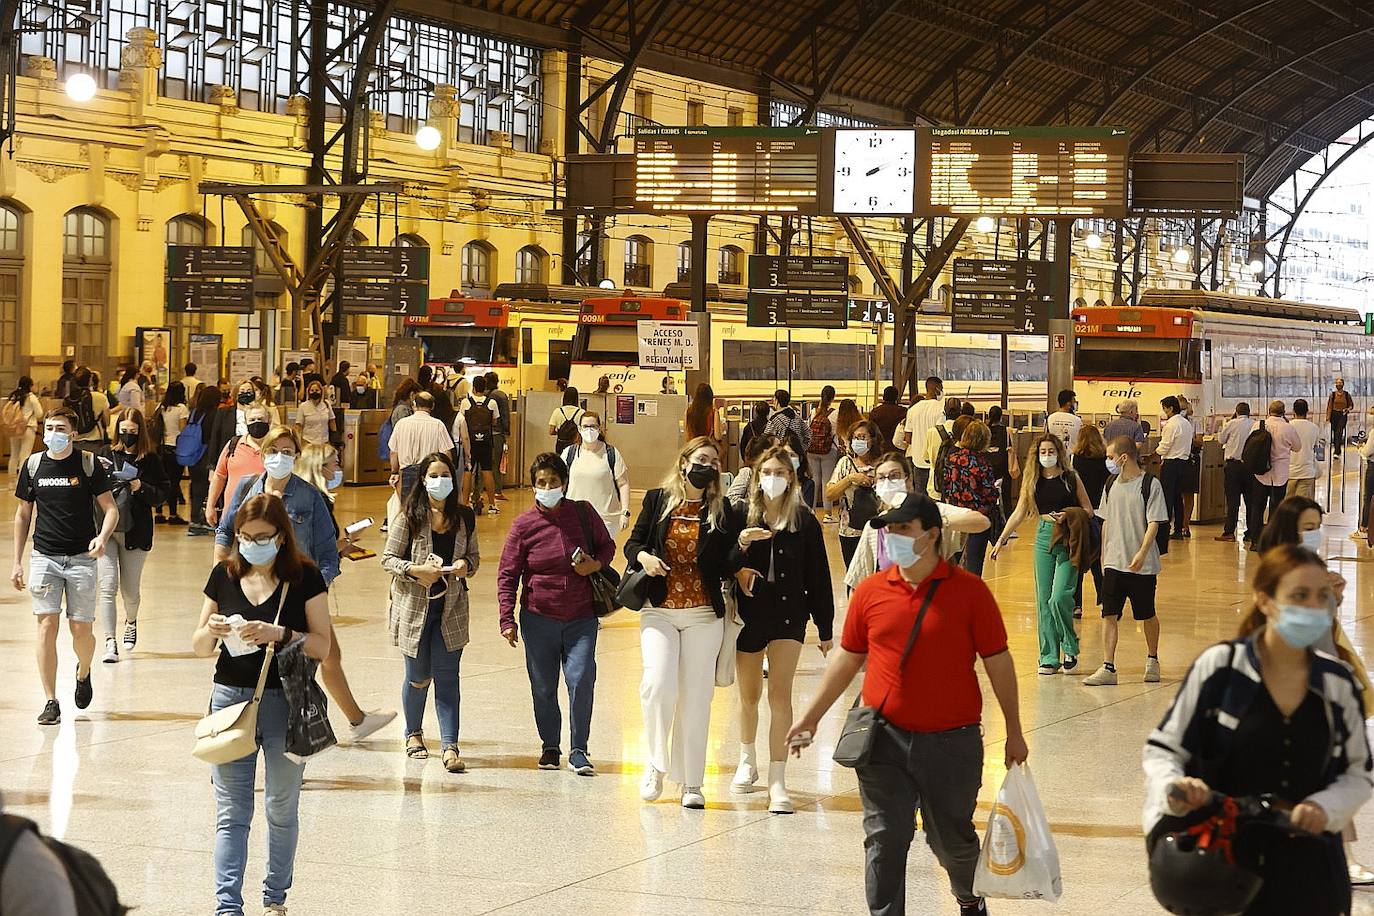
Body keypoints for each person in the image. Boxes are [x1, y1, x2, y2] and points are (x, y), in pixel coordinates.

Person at [787, 491, 1028, 916]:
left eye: (903, 529)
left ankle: (969, 899)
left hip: (951, 743)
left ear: (932, 534)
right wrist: (810, 717)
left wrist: (1014, 731)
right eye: (890, 530)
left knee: (951, 840)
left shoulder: (969, 593)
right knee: (885, 837)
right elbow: (848, 657)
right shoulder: (871, 591)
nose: (893, 537)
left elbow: (999, 663)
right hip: (883, 738)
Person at [1143, 544, 1372, 916]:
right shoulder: (1223, 669)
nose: (1314, 607)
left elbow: (1359, 773)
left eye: (1321, 597)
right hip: (1230, 868)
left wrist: (1324, 807)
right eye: (1299, 596)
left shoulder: (1337, 682)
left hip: (1312, 873)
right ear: (1264, 600)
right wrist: (1175, 787)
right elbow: (1164, 749)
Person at [192, 493, 332, 916]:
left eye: (262, 537)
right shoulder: (224, 574)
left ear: (281, 537)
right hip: (229, 701)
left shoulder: (305, 578)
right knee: (231, 811)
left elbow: (322, 645)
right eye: (244, 537)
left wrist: (280, 635)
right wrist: (213, 630)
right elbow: (198, 646)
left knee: (280, 805)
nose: (252, 544)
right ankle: (227, 906)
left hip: (284, 702)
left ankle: (275, 898)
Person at [216, 426, 391, 744]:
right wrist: (221, 575)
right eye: (273, 451)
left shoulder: (310, 497)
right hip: (252, 595)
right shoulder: (245, 489)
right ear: (263, 453)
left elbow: (327, 553)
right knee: (255, 672)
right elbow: (225, 531)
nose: (279, 458)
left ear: (296, 457)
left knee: (302, 670)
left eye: (287, 452)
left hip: (295, 600)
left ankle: (305, 741)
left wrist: (314, 593)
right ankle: (254, 742)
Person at [625, 437, 736, 809]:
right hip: (660, 609)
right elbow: (633, 542)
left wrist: (746, 549)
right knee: (657, 685)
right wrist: (643, 556)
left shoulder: (722, 510)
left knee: (697, 698)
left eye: (715, 461)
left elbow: (727, 562)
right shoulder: (658, 500)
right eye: (702, 458)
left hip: (704, 614)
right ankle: (656, 763)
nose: (709, 465)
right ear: (685, 462)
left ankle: (692, 782)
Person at [728, 445, 833, 813]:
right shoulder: (741, 514)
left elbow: (819, 575)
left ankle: (778, 777)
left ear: (791, 477)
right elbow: (720, 559)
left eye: (780, 472)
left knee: (780, 697)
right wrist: (740, 557)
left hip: (790, 615)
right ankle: (746, 759)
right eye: (767, 471)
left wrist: (825, 626)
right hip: (750, 613)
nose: (773, 478)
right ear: (757, 477)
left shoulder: (804, 520)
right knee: (750, 695)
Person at [498, 452, 614, 775]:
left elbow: (607, 547)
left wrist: (595, 564)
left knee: (581, 680)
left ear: (563, 482)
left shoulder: (583, 514)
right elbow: (508, 573)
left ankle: (579, 750)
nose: (547, 487)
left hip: (581, 618)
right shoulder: (524, 526)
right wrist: (506, 618)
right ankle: (551, 745)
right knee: (544, 687)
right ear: (533, 486)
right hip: (539, 618)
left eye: (553, 481)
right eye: (540, 482)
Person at [12, 408, 119, 724]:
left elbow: (110, 508)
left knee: (80, 629)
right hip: (44, 556)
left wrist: (101, 538)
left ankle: (83, 671)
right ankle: (50, 700)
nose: (53, 433)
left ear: (73, 433)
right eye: (49, 427)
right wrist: (16, 561)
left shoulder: (88, 464)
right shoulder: (33, 466)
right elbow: (22, 515)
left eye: (60, 428)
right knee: (46, 625)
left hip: (82, 559)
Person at [382, 452, 478, 772]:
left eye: (445, 475)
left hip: (450, 608)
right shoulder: (410, 516)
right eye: (433, 475)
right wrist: (415, 570)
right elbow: (388, 559)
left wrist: (466, 566)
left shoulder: (464, 516)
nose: (440, 481)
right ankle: (413, 733)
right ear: (423, 481)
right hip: (415, 608)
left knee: (448, 677)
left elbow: (474, 558)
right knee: (419, 676)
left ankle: (450, 746)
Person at [991, 433, 1093, 675]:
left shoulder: (1071, 478)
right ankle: (1048, 655)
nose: (1047, 456)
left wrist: (1069, 514)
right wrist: (1001, 539)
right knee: (1043, 600)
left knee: (1059, 597)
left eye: (1051, 451)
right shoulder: (1033, 480)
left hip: (1069, 537)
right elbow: (1019, 512)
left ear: (1059, 453)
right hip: (1044, 535)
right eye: (1043, 452)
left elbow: (1088, 509)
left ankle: (1069, 644)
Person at [1081, 436, 1168, 687]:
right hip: (1114, 562)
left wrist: (1142, 552)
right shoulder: (1110, 484)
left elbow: (1154, 522)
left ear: (1124, 457)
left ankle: (1152, 658)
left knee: (1146, 613)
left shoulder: (1150, 485)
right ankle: (1108, 666)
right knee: (1108, 614)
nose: (1108, 462)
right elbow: (1105, 520)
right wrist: (1103, 557)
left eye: (1110, 457)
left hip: (1143, 565)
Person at [843, 453, 991, 590]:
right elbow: (856, 582)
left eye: (894, 476)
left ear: (907, 479)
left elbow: (981, 522)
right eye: (881, 478)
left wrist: (938, 522)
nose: (888, 482)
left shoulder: (931, 511)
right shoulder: (875, 526)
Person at [95, 408, 168, 663]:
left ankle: (131, 620)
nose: (127, 436)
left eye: (132, 432)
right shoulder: (105, 454)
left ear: (140, 432)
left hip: (136, 530)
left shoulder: (150, 460)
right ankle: (109, 641)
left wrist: (140, 487)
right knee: (107, 586)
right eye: (123, 431)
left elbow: (162, 494)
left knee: (130, 591)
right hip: (106, 528)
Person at [940, 420, 1000, 576]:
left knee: (952, 559)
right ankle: (972, 595)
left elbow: (945, 485)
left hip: (955, 515)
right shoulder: (983, 462)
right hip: (977, 517)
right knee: (974, 561)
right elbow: (989, 494)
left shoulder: (952, 459)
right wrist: (996, 491)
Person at [561, 410, 631, 534]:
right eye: (585, 426)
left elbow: (623, 483)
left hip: (606, 519)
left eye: (593, 426)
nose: (589, 430)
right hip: (574, 517)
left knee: (604, 553)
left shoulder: (611, 453)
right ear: (579, 428)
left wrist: (625, 511)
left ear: (599, 429)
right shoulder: (569, 453)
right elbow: (559, 482)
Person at [1246, 400, 1303, 551]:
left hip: (1260, 472)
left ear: (1269, 411)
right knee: (1276, 508)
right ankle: (1271, 541)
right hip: (1280, 474)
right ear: (1284, 412)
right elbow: (1298, 447)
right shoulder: (1288, 428)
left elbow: (1250, 442)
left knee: (1257, 507)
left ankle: (1255, 541)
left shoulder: (1259, 425)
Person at [827, 420, 884, 567]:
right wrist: (850, 479)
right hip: (850, 530)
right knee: (853, 574)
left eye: (862, 437)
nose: (858, 441)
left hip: (879, 531)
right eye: (855, 437)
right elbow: (830, 494)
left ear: (873, 440)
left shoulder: (883, 465)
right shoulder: (845, 463)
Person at [205, 403, 272, 528]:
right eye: (252, 420)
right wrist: (210, 505)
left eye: (261, 419)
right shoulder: (233, 445)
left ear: (269, 421)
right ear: (246, 423)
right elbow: (219, 476)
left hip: (265, 517)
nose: (256, 423)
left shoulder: (275, 449)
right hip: (232, 516)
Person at [388, 391, 456, 513]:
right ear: (432, 406)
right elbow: (446, 453)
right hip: (430, 472)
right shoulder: (438, 425)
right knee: (428, 508)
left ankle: (409, 530)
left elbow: (393, 452)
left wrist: (394, 472)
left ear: (414, 404)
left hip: (407, 472)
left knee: (407, 509)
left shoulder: (401, 424)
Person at [1071, 424, 1110, 614]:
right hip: (1100, 511)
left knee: (1078, 557)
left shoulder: (1076, 460)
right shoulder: (1104, 460)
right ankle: (1103, 599)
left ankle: (1076, 603)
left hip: (1081, 513)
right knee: (1097, 559)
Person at [149, 381, 190, 525]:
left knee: (160, 480)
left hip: (160, 448)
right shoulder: (181, 409)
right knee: (173, 482)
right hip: (174, 449)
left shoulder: (160, 407)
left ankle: (159, 512)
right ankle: (173, 514)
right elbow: (183, 430)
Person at [185, 383, 223, 537]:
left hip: (193, 454)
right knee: (206, 488)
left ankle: (194, 519)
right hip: (206, 454)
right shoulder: (215, 414)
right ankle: (202, 520)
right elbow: (213, 436)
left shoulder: (194, 413)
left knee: (195, 487)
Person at [1216, 402, 1256, 543]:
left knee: (1233, 501)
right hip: (1250, 467)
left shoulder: (1231, 424)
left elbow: (1221, 440)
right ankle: (1251, 532)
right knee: (1250, 500)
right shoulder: (1254, 424)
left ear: (1236, 412)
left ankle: (1229, 532)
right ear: (1249, 412)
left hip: (1233, 466)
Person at [462, 375, 501, 515]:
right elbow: (495, 422)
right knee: (487, 471)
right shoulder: (492, 403)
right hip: (485, 442)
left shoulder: (466, 402)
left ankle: (465, 504)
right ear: (485, 388)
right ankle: (492, 505)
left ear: (473, 387)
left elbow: (462, 421)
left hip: (470, 442)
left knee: (468, 472)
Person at [901, 376, 945, 493]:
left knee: (920, 500)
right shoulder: (940, 409)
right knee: (936, 498)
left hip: (918, 462)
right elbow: (942, 436)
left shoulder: (913, 409)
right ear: (937, 389)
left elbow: (908, 438)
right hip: (936, 464)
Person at [805, 385, 841, 523]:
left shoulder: (814, 411)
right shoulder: (835, 413)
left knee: (814, 481)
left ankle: (811, 511)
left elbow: (808, 429)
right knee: (827, 482)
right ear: (833, 397)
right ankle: (827, 514)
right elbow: (836, 432)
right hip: (828, 451)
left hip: (812, 450)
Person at [1157, 396, 1191, 540]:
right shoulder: (1186, 423)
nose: (1164, 411)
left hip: (1171, 464)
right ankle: (1178, 529)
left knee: (1167, 498)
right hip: (1184, 463)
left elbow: (1165, 446)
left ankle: (1165, 529)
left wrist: (1154, 454)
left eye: (1164, 408)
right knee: (1178, 498)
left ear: (1170, 408)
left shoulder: (1171, 425)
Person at [920, 397, 962, 498]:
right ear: (960, 412)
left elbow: (925, 458)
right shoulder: (965, 431)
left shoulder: (932, 432)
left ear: (944, 412)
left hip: (936, 486)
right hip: (958, 487)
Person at [5, 375, 43, 485]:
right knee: (25, 455)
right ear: (30, 386)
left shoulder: (13, 396)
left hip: (14, 427)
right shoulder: (31, 397)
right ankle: (21, 481)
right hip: (28, 427)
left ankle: (11, 481)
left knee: (14, 455)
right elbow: (39, 414)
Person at [986, 405, 1020, 521]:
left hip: (988, 470)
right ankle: (1007, 524)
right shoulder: (1006, 431)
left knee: (987, 497)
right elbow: (1011, 449)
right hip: (1003, 469)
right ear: (1001, 417)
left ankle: (990, 522)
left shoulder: (985, 431)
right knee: (1006, 498)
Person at [1176, 395, 1202, 539]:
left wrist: (1188, 436)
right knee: (1176, 494)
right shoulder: (1172, 422)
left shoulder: (1195, 422)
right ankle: (1177, 525)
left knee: (1188, 494)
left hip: (1190, 459)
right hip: (1177, 459)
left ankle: (1185, 525)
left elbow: (1200, 442)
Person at [68, 367, 110, 451]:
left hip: (73, 441)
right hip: (94, 440)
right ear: (90, 380)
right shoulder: (100, 397)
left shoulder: (69, 399)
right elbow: (107, 421)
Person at [485, 371, 511, 501]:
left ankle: (482, 490)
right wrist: (506, 432)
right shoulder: (501, 395)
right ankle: (497, 491)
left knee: (485, 463)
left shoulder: (484, 396)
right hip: (497, 433)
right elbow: (505, 416)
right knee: (496, 462)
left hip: (485, 433)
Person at [1287, 398, 1320, 500]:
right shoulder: (1314, 428)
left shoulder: (1288, 426)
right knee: (1304, 508)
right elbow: (1319, 451)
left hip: (1289, 473)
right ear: (1307, 411)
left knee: (1288, 507)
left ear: (1293, 411)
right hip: (1307, 472)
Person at [295, 376, 334, 447]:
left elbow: (332, 421)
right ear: (308, 392)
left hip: (324, 442)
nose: (314, 392)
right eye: (312, 390)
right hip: (308, 442)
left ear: (321, 391)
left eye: (317, 390)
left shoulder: (326, 404)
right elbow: (298, 426)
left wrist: (334, 438)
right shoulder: (303, 406)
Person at [548, 387, 585, 455]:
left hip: (560, 445)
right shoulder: (581, 412)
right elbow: (583, 431)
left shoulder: (557, 411)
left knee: (561, 464)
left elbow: (551, 431)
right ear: (576, 398)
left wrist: (559, 432)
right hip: (575, 445)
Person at [1328, 377, 1354, 458]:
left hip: (1342, 414)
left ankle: (1336, 451)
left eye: (1340, 383)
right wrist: (1328, 416)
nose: (1338, 384)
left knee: (1339, 432)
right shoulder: (1332, 395)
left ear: (1343, 384)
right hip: (1334, 414)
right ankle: (1337, 450)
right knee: (1335, 433)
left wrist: (1347, 409)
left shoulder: (1346, 395)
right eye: (1337, 383)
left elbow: (1351, 405)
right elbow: (1329, 406)